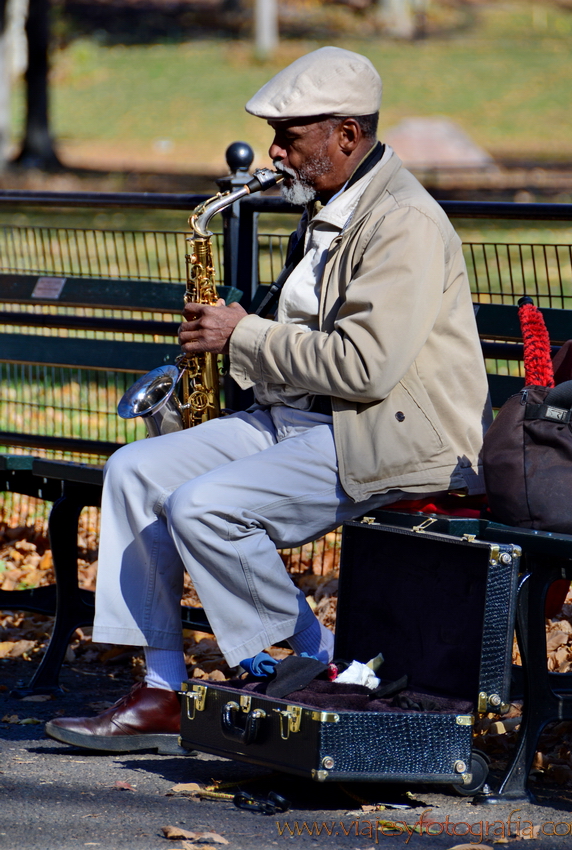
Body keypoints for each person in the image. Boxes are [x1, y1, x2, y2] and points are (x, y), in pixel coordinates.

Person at [46, 46, 491, 754]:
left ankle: (323, 662)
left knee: (205, 506)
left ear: (347, 135)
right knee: (136, 469)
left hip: (389, 436)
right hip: (302, 421)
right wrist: (232, 352)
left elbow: (366, 367)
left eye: (292, 136)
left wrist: (244, 335)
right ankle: (162, 688)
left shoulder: (402, 222)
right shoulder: (329, 208)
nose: (276, 152)